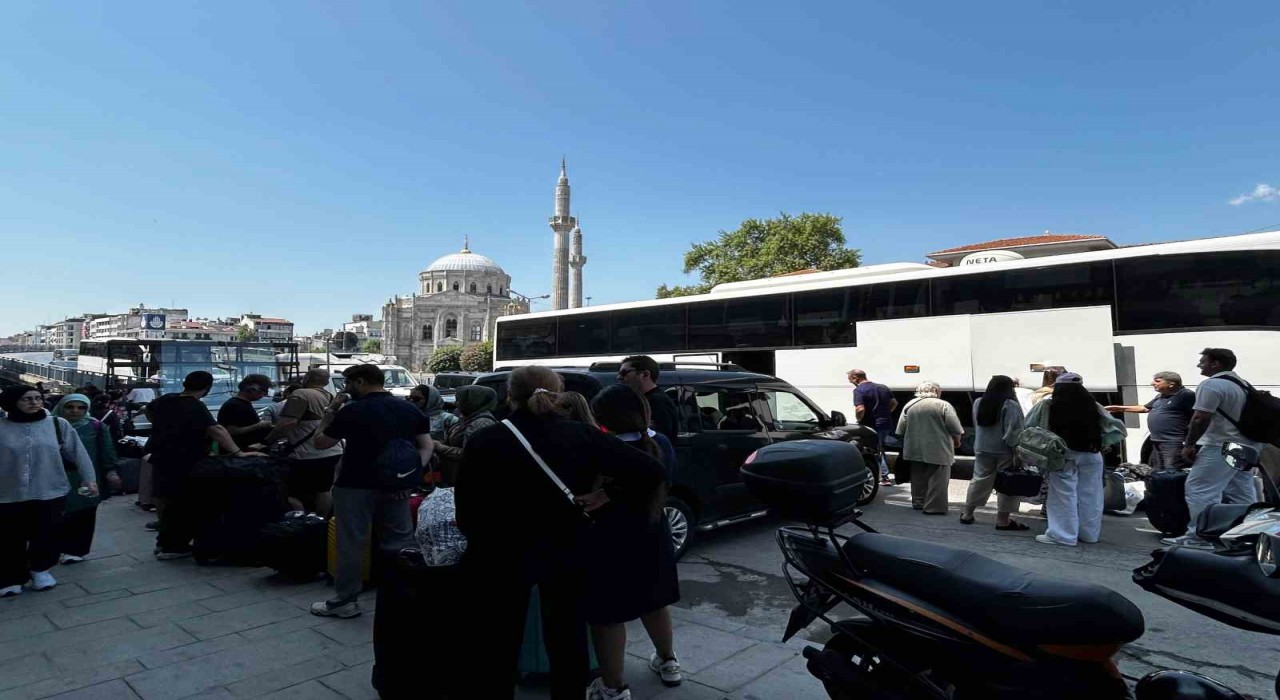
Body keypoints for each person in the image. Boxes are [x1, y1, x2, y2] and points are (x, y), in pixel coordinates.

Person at [455, 366, 666, 699]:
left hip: (503, 552)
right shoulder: (581, 434)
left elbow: (467, 509)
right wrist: (605, 495)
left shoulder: (487, 440)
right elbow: (652, 470)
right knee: (567, 639)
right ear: (556, 395)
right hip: (568, 547)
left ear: (511, 396)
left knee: (498, 641)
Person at [310, 364, 434, 619]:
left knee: (352, 543)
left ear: (360, 382)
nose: (345, 388)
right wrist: (408, 477)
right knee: (400, 543)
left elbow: (321, 442)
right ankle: (402, 596)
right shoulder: (409, 409)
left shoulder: (353, 411)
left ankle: (345, 601)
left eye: (347, 383)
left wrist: (330, 412)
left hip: (355, 485)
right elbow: (426, 447)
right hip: (397, 487)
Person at [585, 385, 682, 698]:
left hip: (610, 539)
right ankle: (668, 661)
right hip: (654, 534)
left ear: (601, 417)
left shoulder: (602, 449)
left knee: (608, 616)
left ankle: (613, 687)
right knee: (655, 603)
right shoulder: (660, 442)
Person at [146, 371, 254, 560]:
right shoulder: (196, 406)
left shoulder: (166, 399)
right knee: (184, 504)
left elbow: (148, 411)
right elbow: (217, 430)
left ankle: (164, 542)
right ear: (207, 389)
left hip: (161, 458)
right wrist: (239, 452)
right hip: (186, 462)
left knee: (166, 501)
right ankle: (174, 546)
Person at [0, 386, 96, 595]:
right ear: (13, 401)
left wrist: (89, 479)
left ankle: (40, 569)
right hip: (8, 492)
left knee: (46, 532)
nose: (34, 402)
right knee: (9, 537)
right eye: (27, 399)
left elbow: (79, 453)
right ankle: (11, 577)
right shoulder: (2, 426)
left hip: (49, 490)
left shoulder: (57, 424)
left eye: (37, 398)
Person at [1162, 349, 1262, 548]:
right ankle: (1245, 535)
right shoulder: (1243, 385)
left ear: (1216, 364)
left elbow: (1200, 418)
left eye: (1203, 361)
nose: (1200, 365)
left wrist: (1189, 444)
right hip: (1247, 445)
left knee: (1200, 489)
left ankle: (1200, 537)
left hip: (1221, 445)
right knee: (1241, 492)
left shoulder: (1212, 384)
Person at [1026, 373, 1127, 547]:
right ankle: (1089, 534)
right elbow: (1117, 427)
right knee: (1092, 495)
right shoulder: (1092, 405)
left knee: (1063, 496)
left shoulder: (1048, 405)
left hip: (1063, 455)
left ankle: (1063, 536)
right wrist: (1102, 441)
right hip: (1092, 455)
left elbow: (1028, 425)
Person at [259, 370, 343, 515]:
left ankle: (301, 523)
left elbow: (288, 422)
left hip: (307, 454)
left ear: (307, 378)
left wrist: (266, 441)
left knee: (291, 493)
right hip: (332, 451)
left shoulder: (301, 394)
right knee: (323, 490)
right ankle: (320, 522)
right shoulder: (329, 396)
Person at [50, 394, 118, 563]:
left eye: (81, 408)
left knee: (84, 514)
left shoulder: (95, 426)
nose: (75, 411)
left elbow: (106, 451)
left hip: (86, 477)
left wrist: (111, 471)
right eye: (70, 407)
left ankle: (76, 550)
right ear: (61, 407)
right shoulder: (49, 425)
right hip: (53, 477)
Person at [961, 376, 1027, 530]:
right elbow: (1014, 430)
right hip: (1004, 449)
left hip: (982, 448)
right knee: (1006, 484)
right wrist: (1017, 451)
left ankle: (967, 514)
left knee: (979, 480)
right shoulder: (1010, 404)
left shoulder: (979, 402)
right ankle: (1002, 520)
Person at [1106, 372, 1196, 471]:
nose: (1152, 383)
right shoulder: (1160, 396)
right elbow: (1144, 408)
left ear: (1171, 384)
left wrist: (1189, 442)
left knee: (1173, 471)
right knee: (1159, 471)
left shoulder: (1186, 395)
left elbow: (1196, 417)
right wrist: (1118, 408)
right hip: (1157, 441)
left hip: (1174, 442)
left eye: (1157, 381)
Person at [895, 381, 962, 515]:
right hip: (939, 447)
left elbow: (900, 429)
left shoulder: (910, 405)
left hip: (914, 447)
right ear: (936, 391)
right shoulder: (943, 405)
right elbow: (954, 428)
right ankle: (934, 507)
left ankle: (918, 502)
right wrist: (957, 442)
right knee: (938, 479)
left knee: (918, 476)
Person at [433, 384, 499, 486]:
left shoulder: (480, 423)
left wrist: (439, 447)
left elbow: (468, 454)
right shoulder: (468, 418)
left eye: (459, 400)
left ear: (472, 402)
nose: (455, 404)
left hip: (469, 480)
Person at [848, 369, 899, 487]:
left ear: (856, 377)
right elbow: (894, 402)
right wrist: (886, 413)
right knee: (880, 448)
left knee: (876, 450)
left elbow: (860, 409)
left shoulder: (859, 390)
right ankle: (883, 475)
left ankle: (883, 476)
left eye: (851, 379)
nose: (851, 382)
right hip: (886, 423)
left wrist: (859, 419)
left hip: (871, 425)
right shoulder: (883, 387)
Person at [617, 355, 679, 442]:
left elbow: (661, 437)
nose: (619, 377)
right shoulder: (646, 399)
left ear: (645, 374)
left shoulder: (657, 401)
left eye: (624, 373)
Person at [217, 375, 274, 451]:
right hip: (240, 452)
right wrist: (259, 425)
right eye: (263, 391)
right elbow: (232, 431)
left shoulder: (243, 404)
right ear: (251, 389)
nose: (265, 395)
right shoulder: (235, 406)